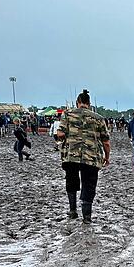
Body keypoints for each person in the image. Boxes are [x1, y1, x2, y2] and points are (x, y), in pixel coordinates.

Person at [56, 89, 111, 223]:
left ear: (77, 102)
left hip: (71, 156)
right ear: (89, 103)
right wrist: (107, 157)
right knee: (89, 184)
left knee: (71, 181)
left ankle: (73, 210)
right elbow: (106, 141)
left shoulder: (67, 114)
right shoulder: (98, 118)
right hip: (91, 157)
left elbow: (60, 134)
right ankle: (87, 216)